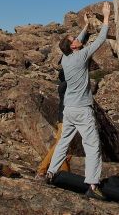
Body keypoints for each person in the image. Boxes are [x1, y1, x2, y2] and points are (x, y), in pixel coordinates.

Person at [44, 1, 111, 201]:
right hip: (82, 110)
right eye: (74, 39)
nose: (77, 38)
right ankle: (93, 185)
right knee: (92, 146)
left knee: (63, 142)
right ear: (73, 46)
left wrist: (84, 25)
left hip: (69, 110)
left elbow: (80, 39)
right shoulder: (81, 56)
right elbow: (100, 40)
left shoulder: (66, 59)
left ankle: (50, 173)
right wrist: (106, 16)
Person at [36, 14, 94, 177]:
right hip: (67, 115)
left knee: (62, 146)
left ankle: (61, 173)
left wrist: (86, 26)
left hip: (65, 114)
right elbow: (74, 47)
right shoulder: (67, 84)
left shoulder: (65, 69)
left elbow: (73, 45)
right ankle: (43, 170)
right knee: (60, 145)